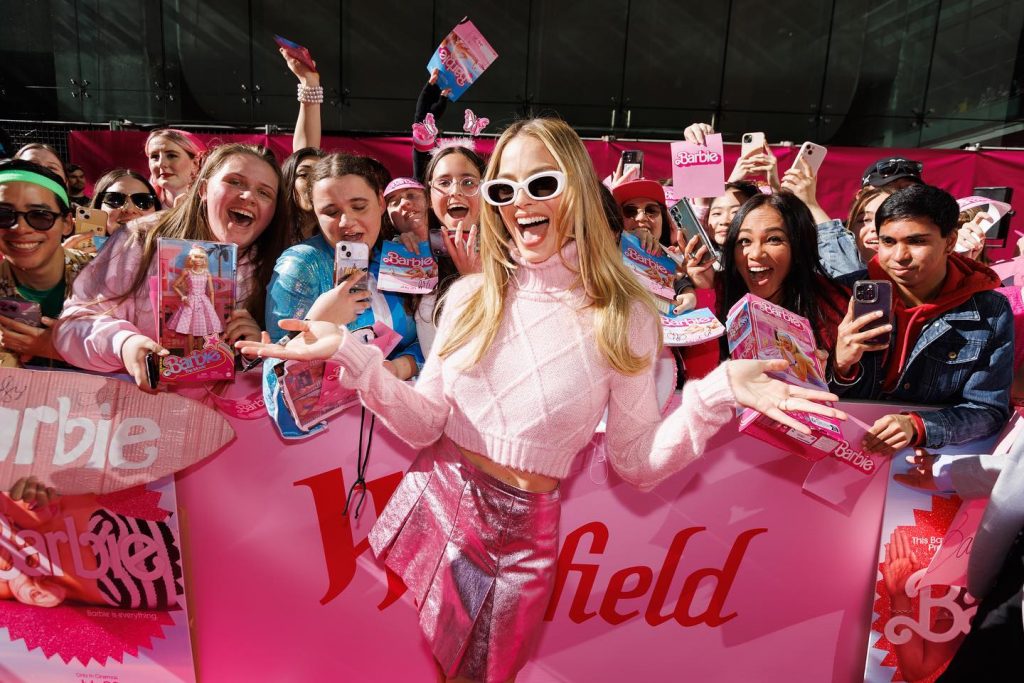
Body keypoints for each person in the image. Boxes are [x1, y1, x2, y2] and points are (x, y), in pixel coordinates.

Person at [236, 117, 843, 683]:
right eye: (503, 189)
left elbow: (636, 462)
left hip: (521, 537)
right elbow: (424, 425)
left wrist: (716, 393)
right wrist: (352, 352)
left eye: (541, 182)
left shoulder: (625, 315)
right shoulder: (471, 296)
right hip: (440, 497)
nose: (519, 200)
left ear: (577, 190)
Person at [55, 143, 286, 391]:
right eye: (235, 182)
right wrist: (124, 344)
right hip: (139, 414)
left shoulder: (277, 270)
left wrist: (253, 353)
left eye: (264, 193)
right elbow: (73, 324)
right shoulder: (142, 240)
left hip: (222, 422)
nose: (248, 196)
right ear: (204, 189)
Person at [829, 184, 1013, 453]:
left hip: (919, 466)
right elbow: (802, 388)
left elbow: (987, 410)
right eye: (888, 242)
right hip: (838, 450)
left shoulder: (990, 311)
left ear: (950, 241)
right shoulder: (843, 293)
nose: (899, 256)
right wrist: (841, 367)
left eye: (916, 241)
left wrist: (919, 426)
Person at [265, 152, 422, 373]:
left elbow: (432, 344)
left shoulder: (398, 257)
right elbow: (274, 377)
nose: (347, 222)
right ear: (316, 214)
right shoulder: (300, 265)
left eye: (359, 206)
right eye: (331, 212)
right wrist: (318, 321)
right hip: (333, 408)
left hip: (400, 401)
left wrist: (399, 368)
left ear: (380, 202)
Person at [717, 191, 848, 354]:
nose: (756, 253)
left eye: (773, 239)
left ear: (799, 246)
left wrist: (839, 368)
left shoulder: (835, 307)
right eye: (745, 240)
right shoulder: (717, 293)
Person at [0, 160, 93, 367]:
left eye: (40, 216)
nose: (20, 228)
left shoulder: (108, 277)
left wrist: (61, 349)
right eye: (3, 215)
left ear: (67, 223)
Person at [168, 246, 222, 353]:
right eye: (196, 257)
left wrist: (211, 306)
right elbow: (175, 285)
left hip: (203, 301)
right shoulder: (187, 271)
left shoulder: (206, 272)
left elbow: (211, 291)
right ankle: (191, 353)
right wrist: (183, 296)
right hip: (191, 301)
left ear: (204, 259)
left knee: (202, 328)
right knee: (190, 329)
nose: (198, 260)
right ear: (191, 258)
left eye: (201, 257)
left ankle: (200, 352)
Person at [145, 128, 206, 208]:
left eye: (171, 155)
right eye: (155, 156)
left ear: (195, 164)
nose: (161, 163)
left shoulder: (211, 209)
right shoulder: (141, 207)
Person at [88, 168, 161, 234]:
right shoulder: (79, 247)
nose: (129, 209)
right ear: (98, 206)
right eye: (115, 200)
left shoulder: (170, 246)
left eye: (143, 200)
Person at [281, 147, 327, 243]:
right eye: (304, 175)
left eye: (320, 176)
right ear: (288, 181)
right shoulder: (270, 230)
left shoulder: (337, 234)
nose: (313, 182)